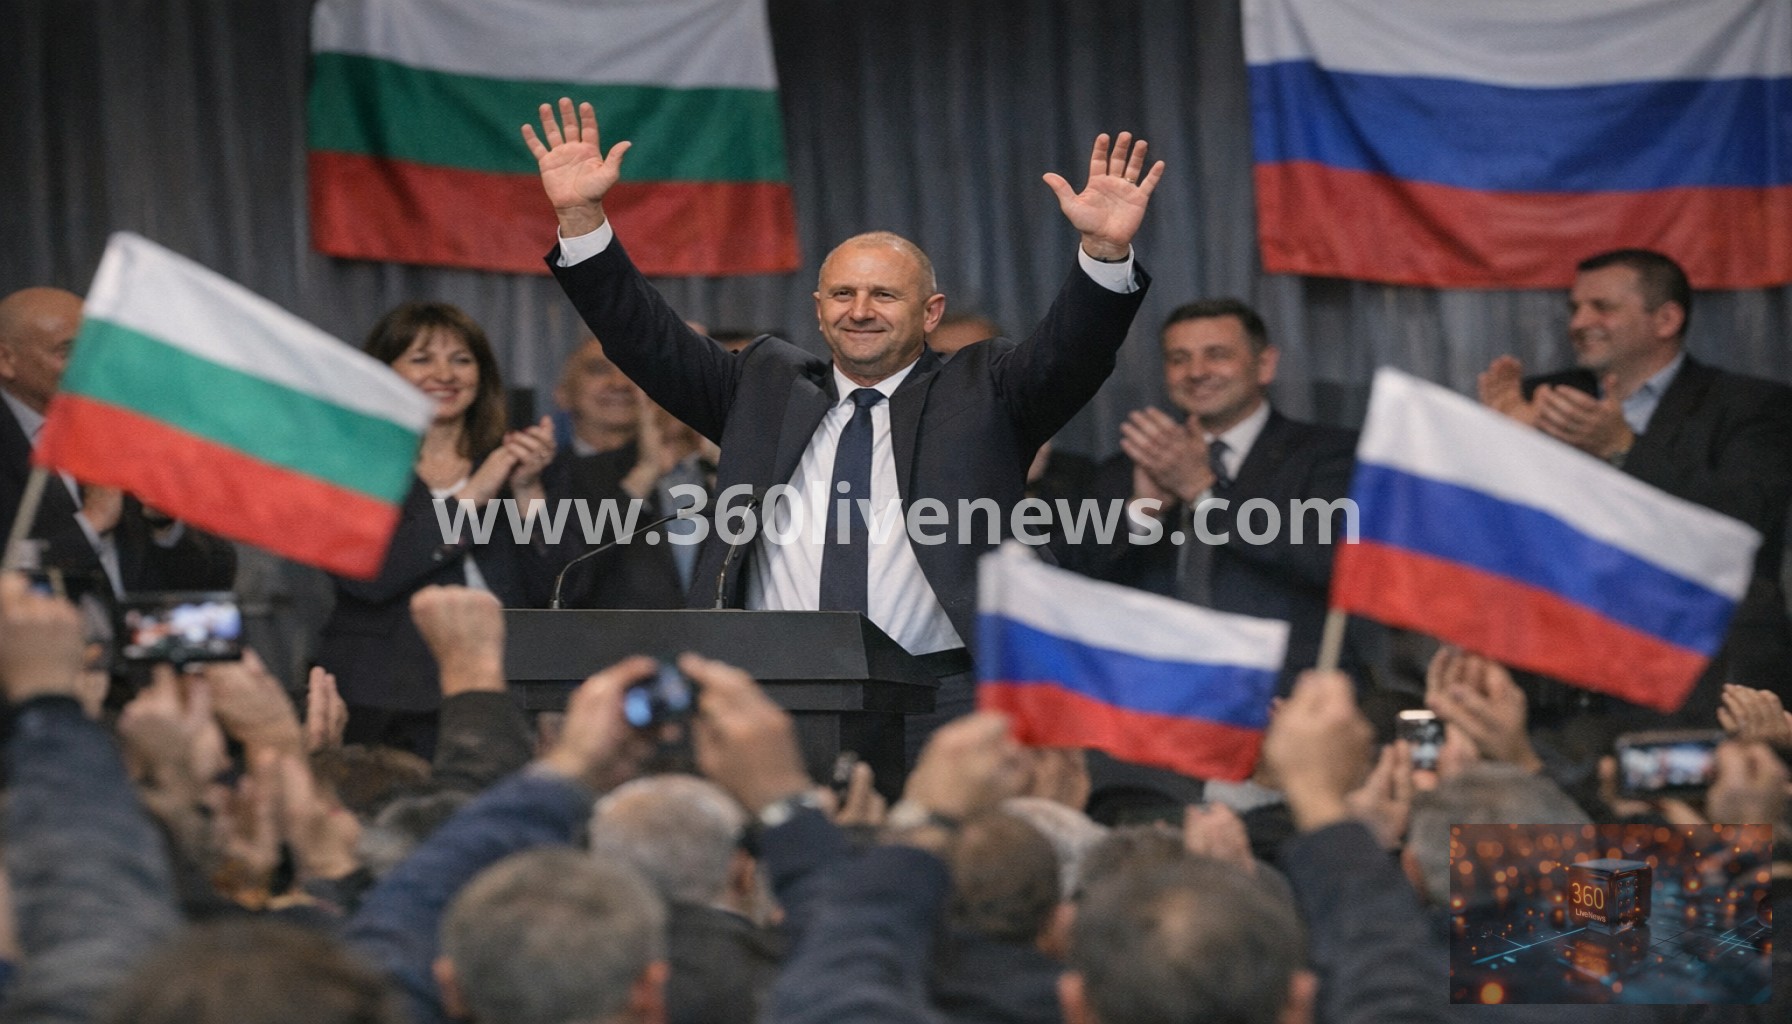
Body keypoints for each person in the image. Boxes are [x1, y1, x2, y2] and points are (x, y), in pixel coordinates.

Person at [524, 98, 1163, 754]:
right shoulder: (762, 387)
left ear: (931, 311)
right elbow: (643, 336)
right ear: (820, 310)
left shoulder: (985, 389)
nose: (861, 310)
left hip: (943, 700)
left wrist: (1104, 254)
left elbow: (1073, 354)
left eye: (884, 295)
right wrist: (581, 220)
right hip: (776, 694)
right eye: (843, 295)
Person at [1479, 248, 1792, 715]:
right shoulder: (1547, 398)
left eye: (1601, 307)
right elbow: (1493, 538)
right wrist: (1504, 446)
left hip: (1702, 660)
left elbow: (1746, 521)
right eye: (1574, 308)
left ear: (1665, 319)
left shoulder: (1750, 406)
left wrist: (1624, 447)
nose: (1579, 322)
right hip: (1560, 663)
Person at [314, 301, 564, 756]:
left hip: (503, 687)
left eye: (461, 360)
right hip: (384, 698)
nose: (444, 374)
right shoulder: (351, 466)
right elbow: (368, 577)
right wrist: (477, 492)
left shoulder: (516, 459)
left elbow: (555, 587)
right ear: (383, 372)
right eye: (421, 358)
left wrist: (527, 489)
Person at [1084, 298, 1365, 689]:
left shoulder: (1329, 455)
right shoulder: (1129, 467)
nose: (1196, 372)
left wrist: (1201, 493)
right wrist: (1144, 512)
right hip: (1158, 695)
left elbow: (1329, 561)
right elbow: (1081, 587)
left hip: (1289, 694)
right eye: (1179, 358)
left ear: (1264, 365)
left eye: (1216, 355)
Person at [0, 286, 236, 602]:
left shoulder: (124, 426)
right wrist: (90, 523)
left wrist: (166, 524)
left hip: (149, 643)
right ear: (5, 360)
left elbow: (216, 574)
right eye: (68, 351)